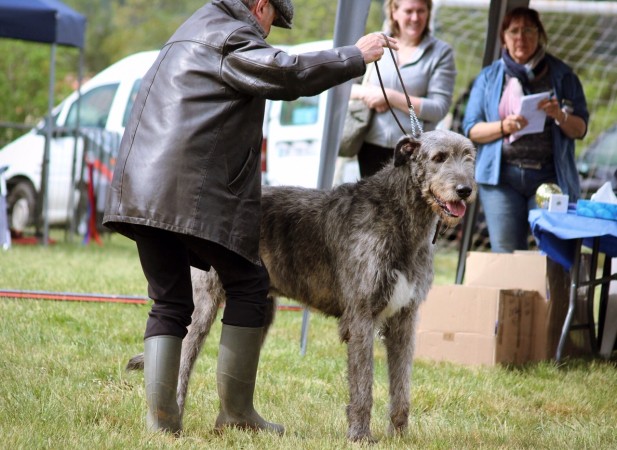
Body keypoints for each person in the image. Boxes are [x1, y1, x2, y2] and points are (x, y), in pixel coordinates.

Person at [103, 0, 397, 437]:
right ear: (259, 5)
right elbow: (287, 71)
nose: (270, 32)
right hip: (186, 193)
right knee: (249, 282)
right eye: (272, 21)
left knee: (169, 301)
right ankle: (236, 415)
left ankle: (162, 427)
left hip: (141, 187)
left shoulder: (191, 27)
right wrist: (354, 55)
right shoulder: (232, 35)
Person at [462, 6, 589, 253]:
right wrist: (503, 126)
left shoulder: (563, 76)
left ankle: (550, 294)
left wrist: (559, 115)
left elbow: (581, 129)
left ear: (539, 35)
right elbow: (471, 130)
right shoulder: (489, 76)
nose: (521, 37)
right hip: (501, 179)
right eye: (514, 31)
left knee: (553, 250)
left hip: (549, 177)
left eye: (528, 30)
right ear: (504, 38)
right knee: (506, 251)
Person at [350, 0, 456, 178]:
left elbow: (438, 109)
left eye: (421, 11)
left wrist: (389, 97)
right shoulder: (374, 42)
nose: (415, 18)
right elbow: (344, 88)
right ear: (394, 12)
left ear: (428, 13)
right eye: (409, 11)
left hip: (415, 151)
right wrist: (369, 93)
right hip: (370, 146)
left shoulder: (441, 52)